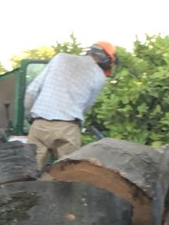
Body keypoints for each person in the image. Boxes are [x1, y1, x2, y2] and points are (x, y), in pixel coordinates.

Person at [23, 40, 116, 169]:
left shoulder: (60, 58)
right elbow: (85, 106)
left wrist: (30, 115)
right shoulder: (99, 76)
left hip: (40, 123)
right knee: (69, 175)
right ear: (106, 61)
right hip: (68, 128)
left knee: (29, 171)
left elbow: (31, 91)